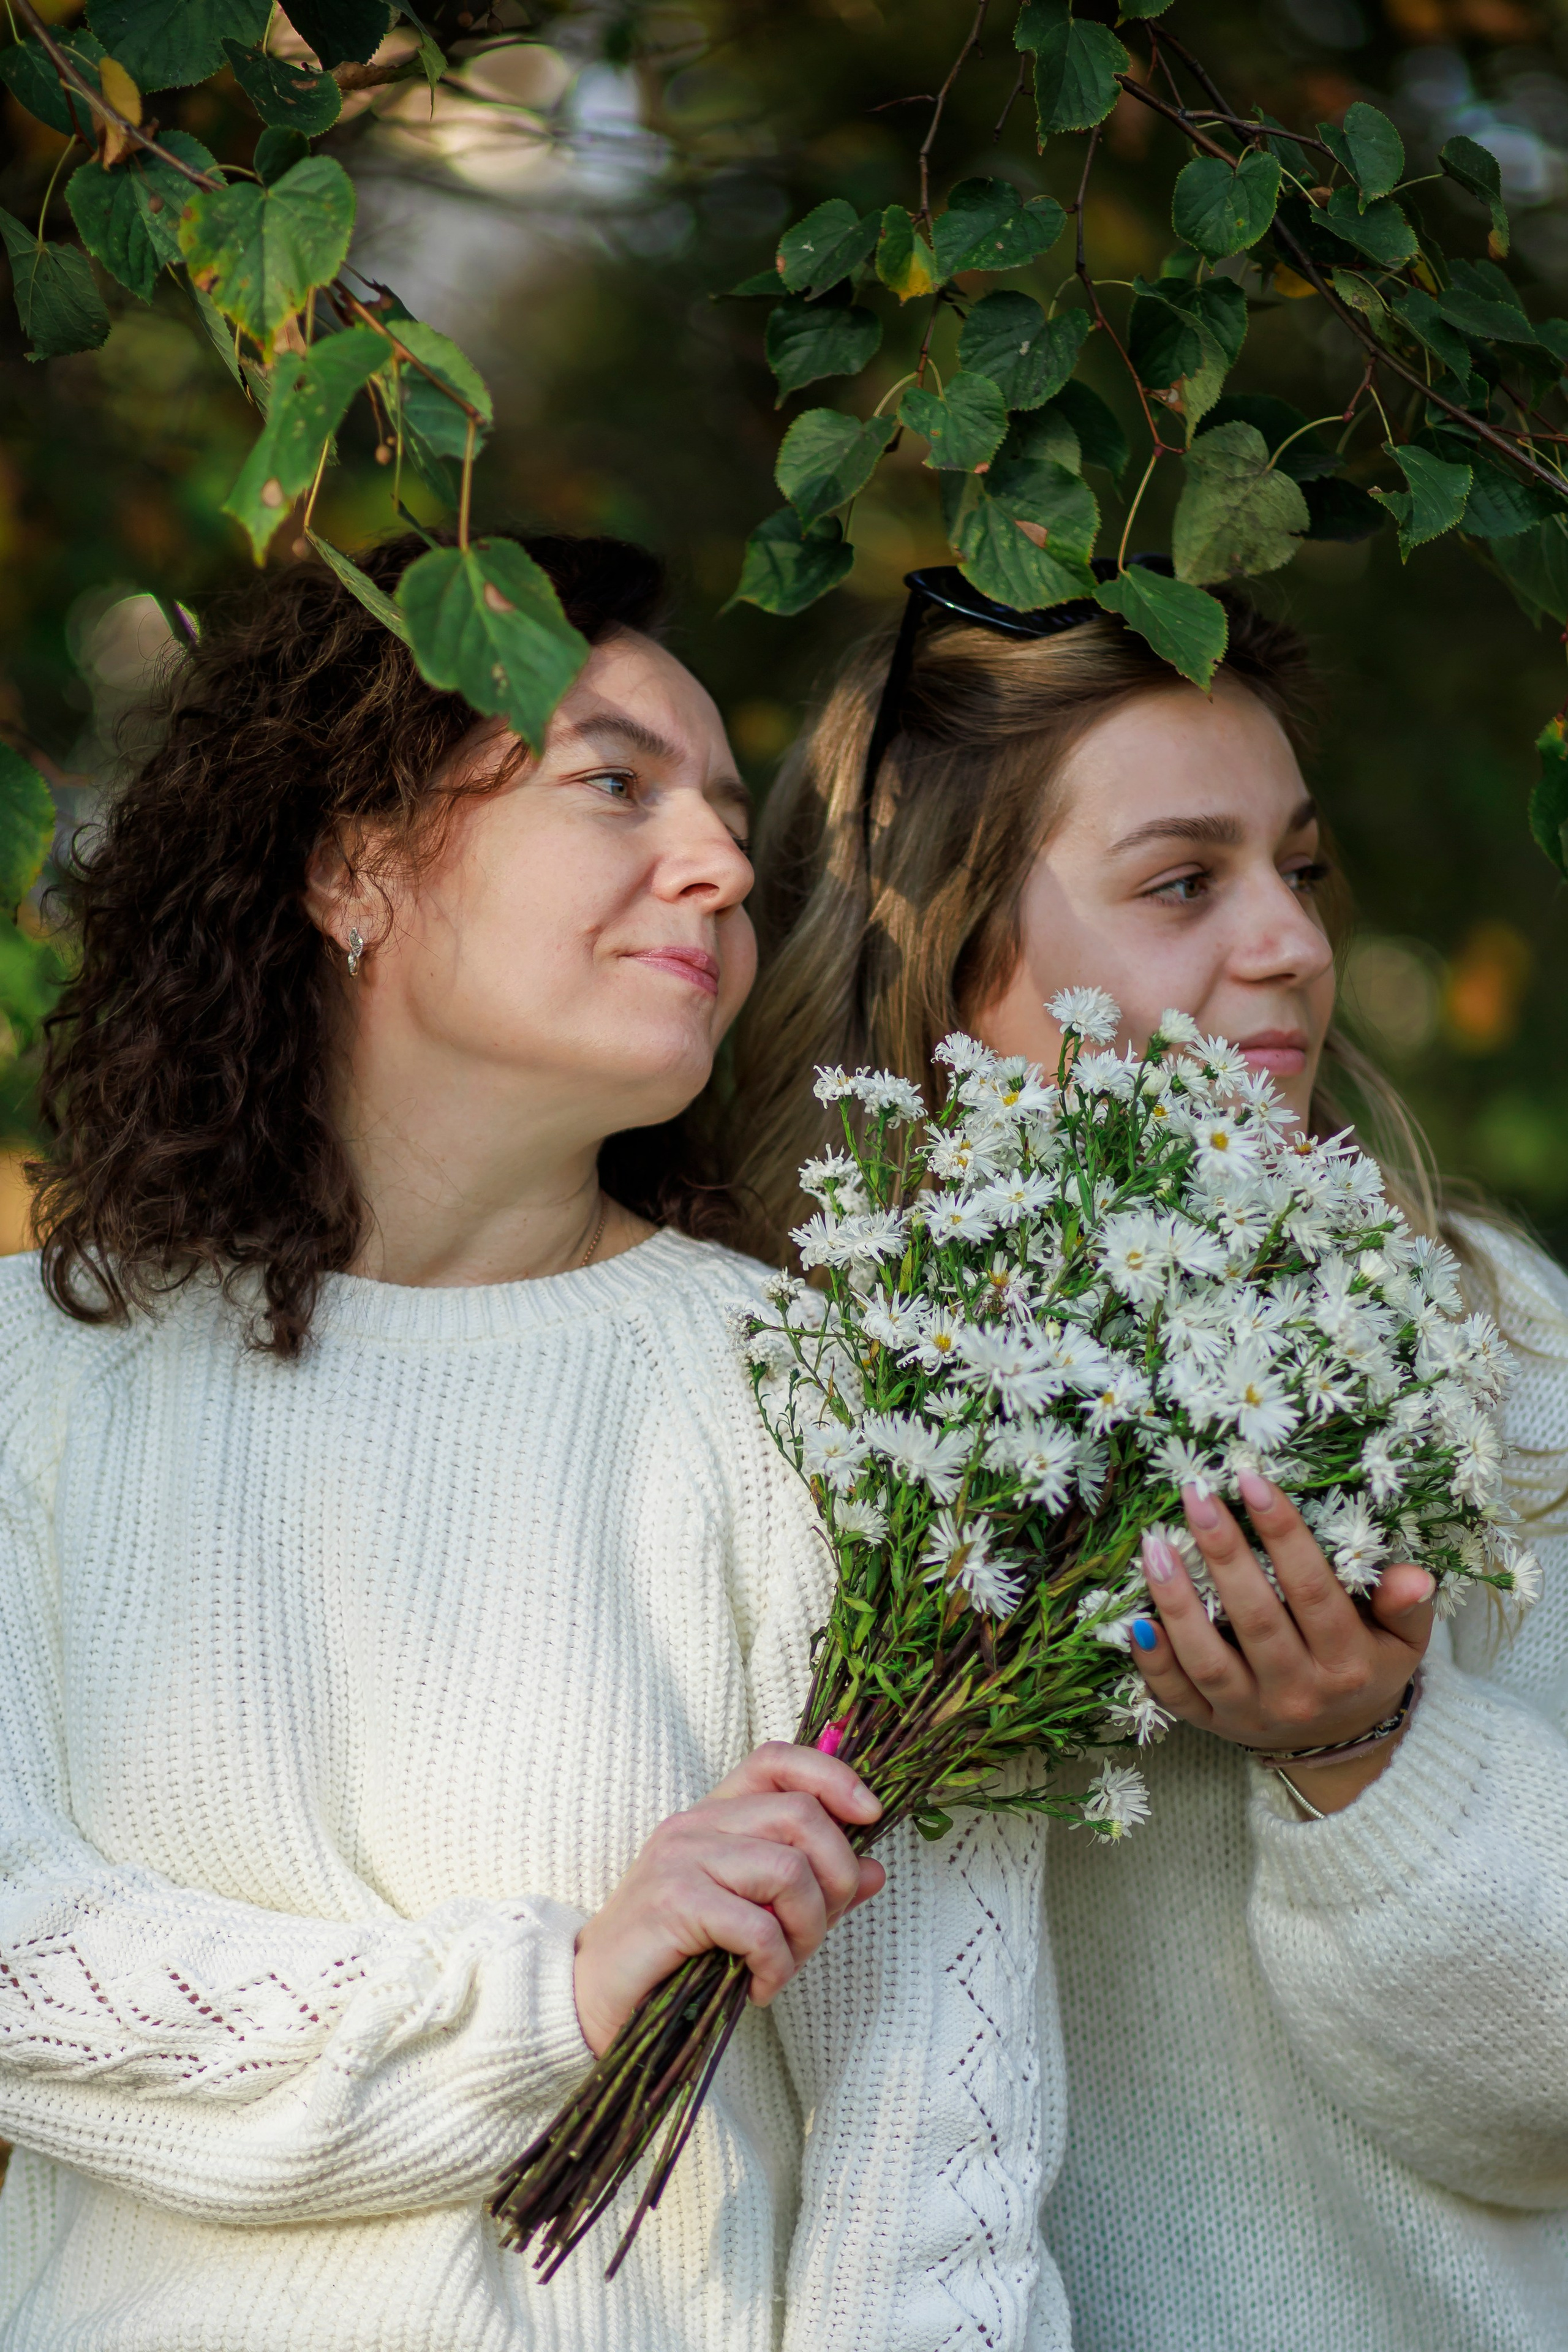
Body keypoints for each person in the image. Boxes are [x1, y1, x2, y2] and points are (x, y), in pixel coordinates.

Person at [0, 537, 1067, 2352]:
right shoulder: (38, 1378)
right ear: (352, 859)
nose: (723, 868)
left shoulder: (831, 1412)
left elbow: (937, 2145)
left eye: (728, 814)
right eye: (612, 784)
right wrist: (552, 2005)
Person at [730, 566, 1568, 2352]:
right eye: (1188, 881)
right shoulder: (759, 1381)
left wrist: (1365, 1759)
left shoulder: (1496, 1358)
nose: (1289, 943)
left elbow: (1546, 2107)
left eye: (1301, 868)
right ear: (943, 948)